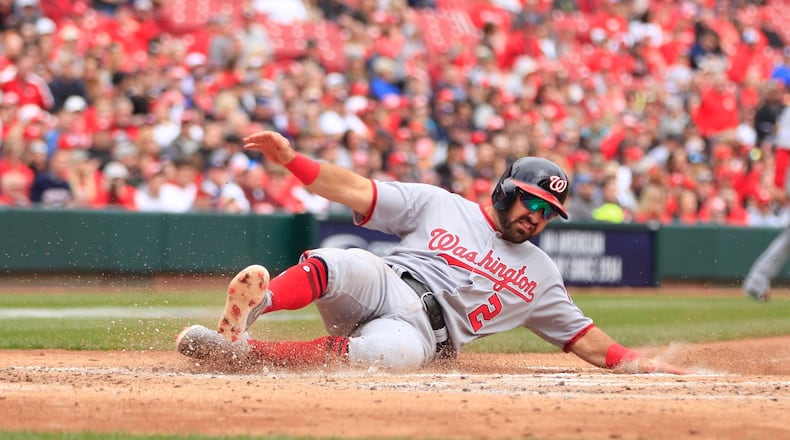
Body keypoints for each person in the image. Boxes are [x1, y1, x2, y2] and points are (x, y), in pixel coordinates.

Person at [176, 130, 685, 374]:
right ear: (506, 191)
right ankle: (255, 308)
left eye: (549, 210)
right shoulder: (440, 204)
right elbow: (355, 189)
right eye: (531, 200)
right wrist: (292, 161)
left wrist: (642, 364)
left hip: (423, 333)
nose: (537, 215)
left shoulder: (541, 274)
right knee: (343, 262)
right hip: (390, 280)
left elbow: (586, 339)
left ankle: (240, 356)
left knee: (381, 357)